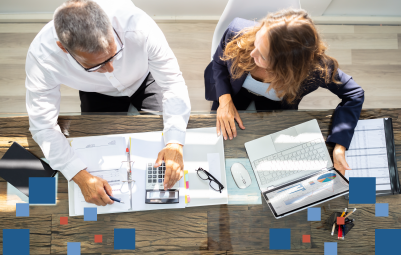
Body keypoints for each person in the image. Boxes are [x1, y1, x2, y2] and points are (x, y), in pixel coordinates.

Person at [25, 0, 191, 206]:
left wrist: (174, 142)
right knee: (97, 146)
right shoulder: (42, 58)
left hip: (145, 78)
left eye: (115, 54)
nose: (111, 69)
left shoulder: (139, 26)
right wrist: (79, 175)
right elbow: (43, 126)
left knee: (159, 142)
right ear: (63, 49)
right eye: (96, 65)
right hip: (96, 92)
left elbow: (173, 85)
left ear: (110, 26)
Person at [204, 9, 364, 176]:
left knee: (273, 161)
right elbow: (218, 64)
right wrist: (224, 100)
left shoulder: (317, 69)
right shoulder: (237, 31)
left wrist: (340, 145)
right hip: (232, 90)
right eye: (257, 41)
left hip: (276, 106)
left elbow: (355, 94)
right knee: (217, 149)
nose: (252, 53)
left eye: (263, 56)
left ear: (288, 67)